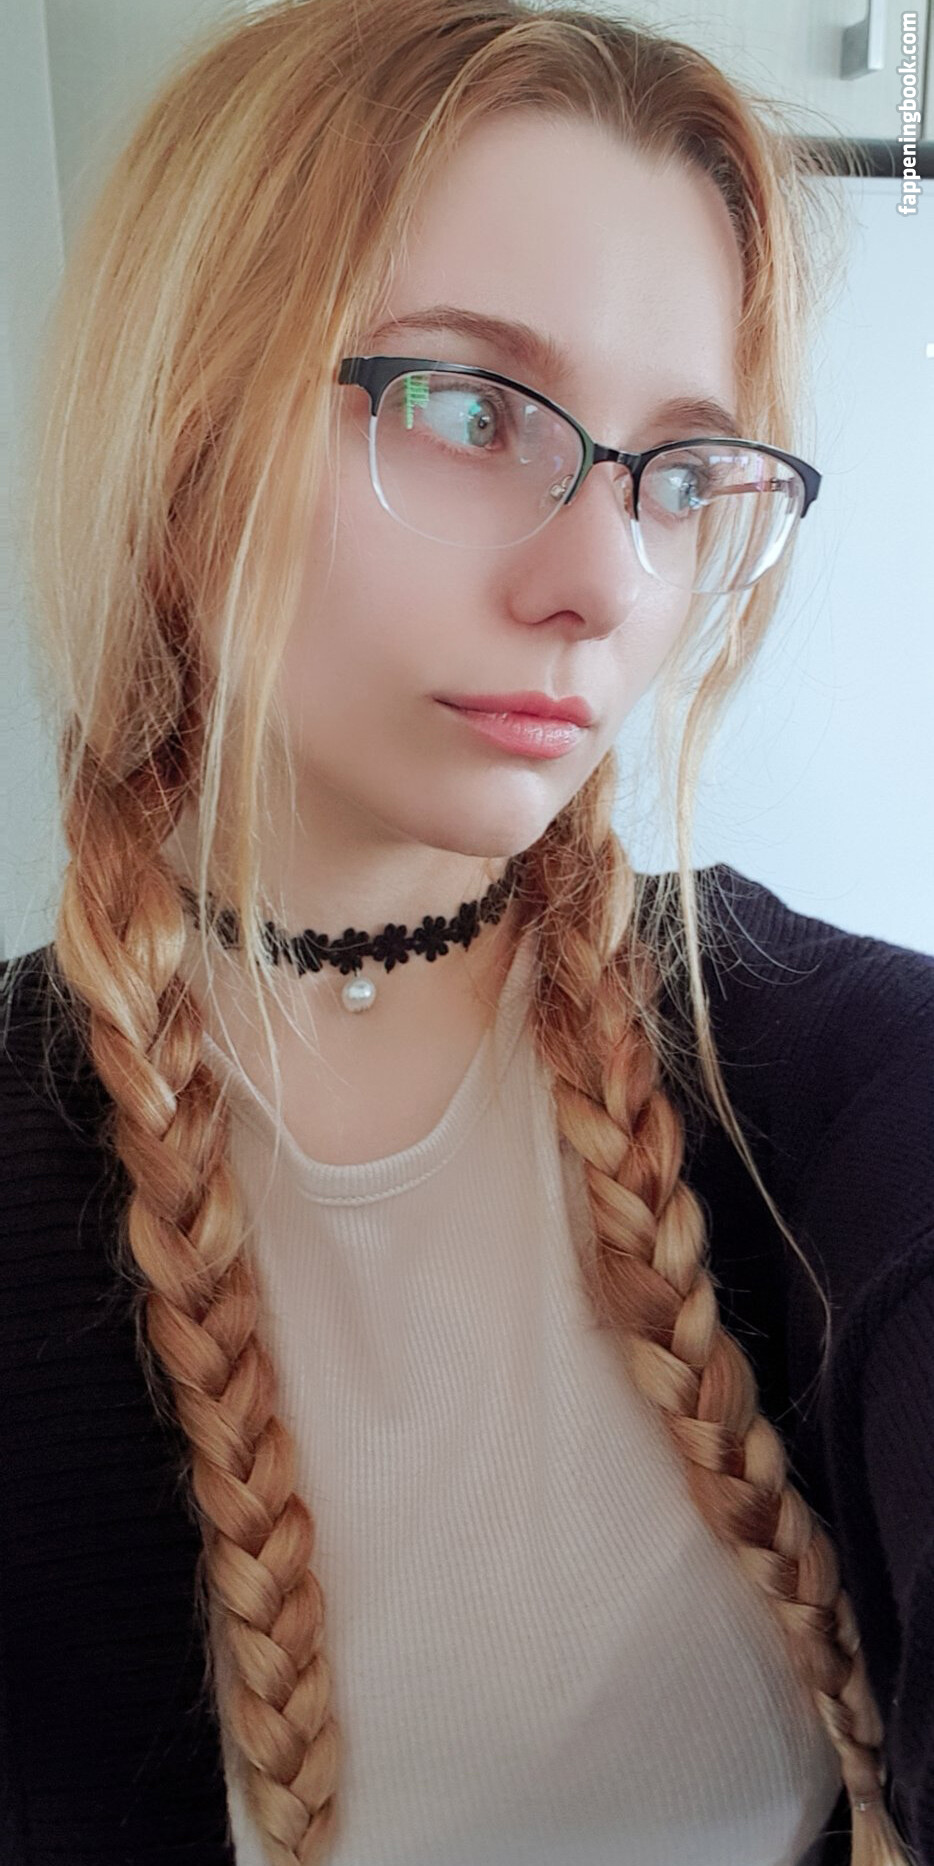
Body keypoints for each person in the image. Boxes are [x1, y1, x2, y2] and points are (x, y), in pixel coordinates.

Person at [1, 1, 932, 1863]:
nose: (603, 579)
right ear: (183, 427)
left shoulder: (838, 1072)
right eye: (464, 408)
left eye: (685, 472)